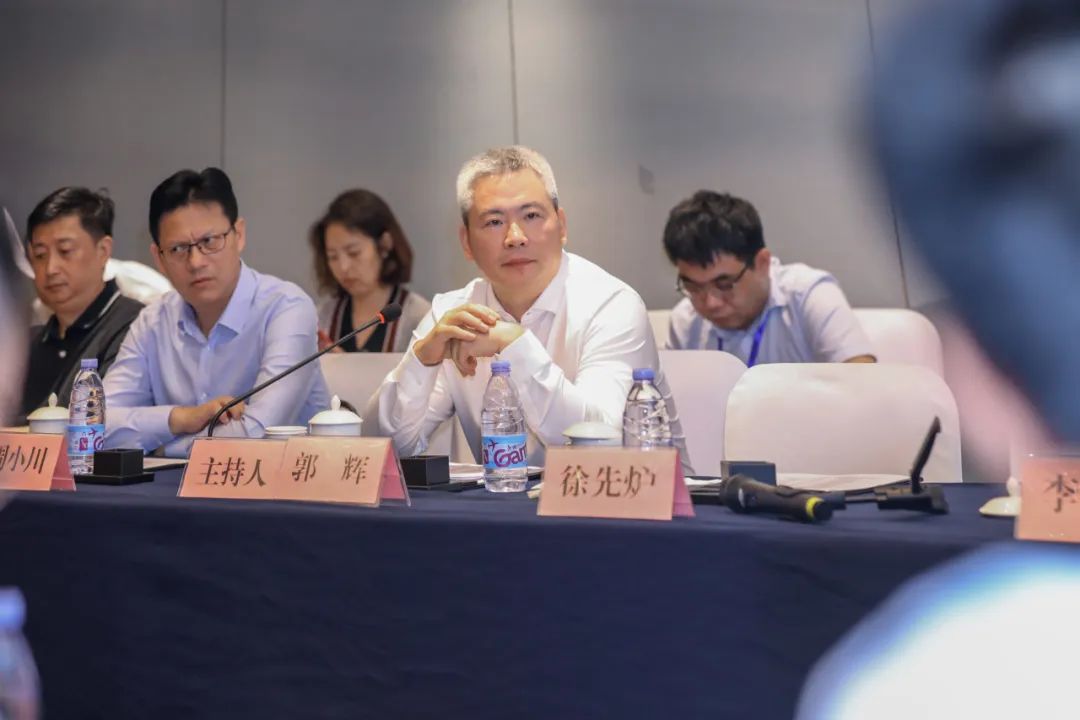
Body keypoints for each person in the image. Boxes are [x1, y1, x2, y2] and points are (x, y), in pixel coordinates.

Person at [368, 145, 689, 470]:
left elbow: (598, 445)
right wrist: (421, 360)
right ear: (466, 242)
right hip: (504, 499)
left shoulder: (611, 305)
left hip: (636, 498)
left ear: (561, 226)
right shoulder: (453, 315)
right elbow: (385, 452)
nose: (515, 237)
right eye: (494, 222)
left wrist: (513, 342)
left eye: (531, 216)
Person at [103, 167, 330, 456]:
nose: (196, 262)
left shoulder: (286, 308)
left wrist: (160, 448)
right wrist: (178, 419)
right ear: (158, 258)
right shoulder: (152, 322)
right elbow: (93, 423)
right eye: (178, 249)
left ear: (239, 234)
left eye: (209, 242)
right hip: (172, 485)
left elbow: (257, 432)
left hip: (281, 482)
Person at [663, 190, 875, 365]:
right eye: (693, 287)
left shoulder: (808, 295)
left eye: (724, 283)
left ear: (762, 263)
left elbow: (863, 379)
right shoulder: (685, 322)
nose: (711, 303)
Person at [19, 188, 144, 419]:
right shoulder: (26, 344)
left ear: (103, 251)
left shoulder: (137, 328)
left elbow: (102, 421)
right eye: (40, 255)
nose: (50, 268)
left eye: (65, 251)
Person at [309, 189, 430, 352]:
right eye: (333, 256)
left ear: (385, 245)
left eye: (354, 253)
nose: (343, 267)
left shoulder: (421, 317)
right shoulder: (322, 318)